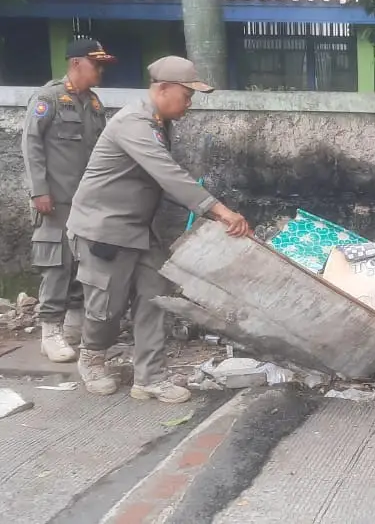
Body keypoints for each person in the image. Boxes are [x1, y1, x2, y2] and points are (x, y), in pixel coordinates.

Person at [67, 56, 252, 403]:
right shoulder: (133, 122)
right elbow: (168, 174)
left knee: (156, 295)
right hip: (102, 228)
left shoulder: (157, 121)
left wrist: (209, 213)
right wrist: (221, 211)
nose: (189, 103)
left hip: (137, 229)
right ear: (163, 89)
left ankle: (149, 377)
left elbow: (164, 181)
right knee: (106, 306)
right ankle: (92, 356)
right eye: (187, 94)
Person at [21, 38, 116, 363]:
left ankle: (74, 326)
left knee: (83, 264)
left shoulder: (94, 105)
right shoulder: (48, 99)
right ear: (76, 63)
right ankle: (50, 331)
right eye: (96, 64)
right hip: (56, 199)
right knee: (57, 264)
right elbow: (31, 143)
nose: (100, 71)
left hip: (87, 202)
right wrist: (39, 190)